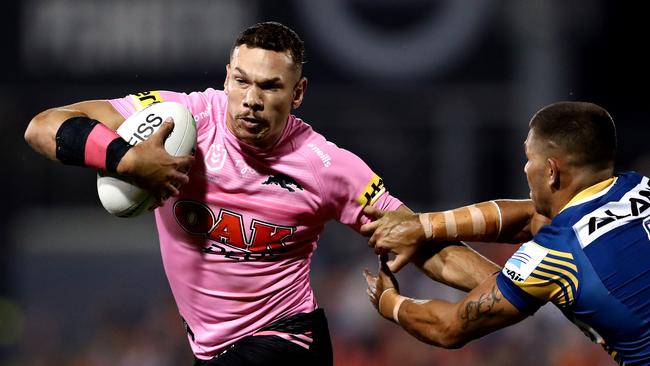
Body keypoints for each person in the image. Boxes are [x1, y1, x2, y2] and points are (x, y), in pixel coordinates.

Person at [24, 22, 499, 365]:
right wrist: (125, 160)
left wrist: (518, 284)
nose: (252, 98)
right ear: (227, 76)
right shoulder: (178, 120)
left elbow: (418, 242)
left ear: (298, 93)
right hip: (210, 350)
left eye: (271, 86)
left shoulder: (328, 167)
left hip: (287, 341)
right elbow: (43, 127)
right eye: (242, 81)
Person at [362, 101, 650, 365]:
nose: (526, 168)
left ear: (551, 170)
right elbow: (531, 217)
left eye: (529, 157)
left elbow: (449, 327)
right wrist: (422, 226)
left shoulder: (555, 254)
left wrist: (389, 302)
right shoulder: (641, 186)